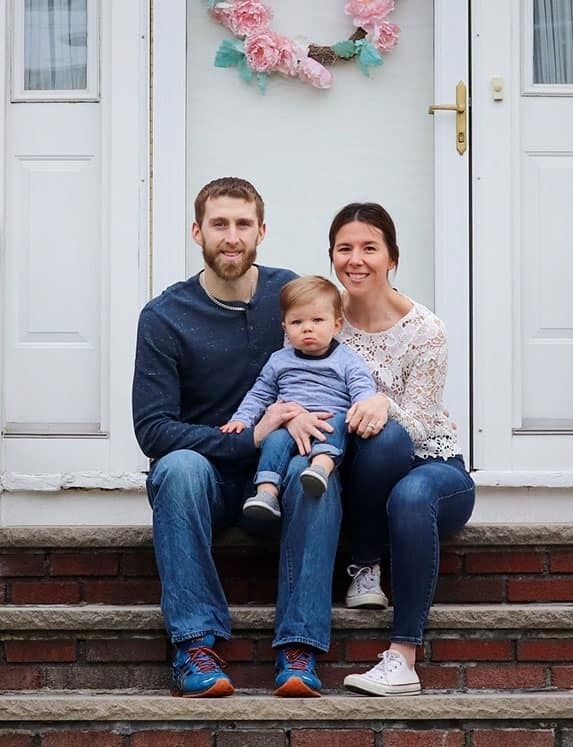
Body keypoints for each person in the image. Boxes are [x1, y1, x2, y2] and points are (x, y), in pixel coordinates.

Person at [132, 177, 342, 699]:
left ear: (262, 231)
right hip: (206, 482)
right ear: (196, 231)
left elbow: (335, 369)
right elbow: (152, 429)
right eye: (219, 224)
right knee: (177, 467)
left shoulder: (289, 296)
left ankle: (299, 651)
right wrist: (247, 438)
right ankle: (195, 647)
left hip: (279, 475)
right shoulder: (164, 317)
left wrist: (298, 417)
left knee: (313, 474)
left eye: (243, 224)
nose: (232, 236)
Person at [323, 202, 476, 696]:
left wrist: (380, 403)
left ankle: (403, 657)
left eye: (370, 247)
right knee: (376, 438)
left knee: (404, 480)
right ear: (331, 256)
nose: (356, 259)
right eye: (345, 248)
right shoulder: (325, 323)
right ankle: (363, 569)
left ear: (392, 257)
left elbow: (422, 422)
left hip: (434, 469)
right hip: (360, 471)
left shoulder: (425, 330)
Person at [221, 276, 377, 520]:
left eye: (317, 320)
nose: (307, 328)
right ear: (285, 328)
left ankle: (320, 470)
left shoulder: (347, 359)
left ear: (336, 325)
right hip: (288, 422)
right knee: (274, 442)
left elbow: (361, 388)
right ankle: (266, 494)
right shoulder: (279, 360)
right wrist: (242, 419)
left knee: (335, 424)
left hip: (330, 416)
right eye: (297, 322)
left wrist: (364, 408)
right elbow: (260, 393)